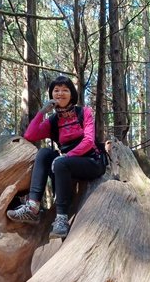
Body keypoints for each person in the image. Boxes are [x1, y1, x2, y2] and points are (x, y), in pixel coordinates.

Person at [7, 75, 105, 238]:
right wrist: (43, 112)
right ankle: (32, 207)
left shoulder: (84, 112)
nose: (60, 93)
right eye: (56, 90)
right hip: (67, 164)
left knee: (60, 163)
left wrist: (66, 156)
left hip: (91, 161)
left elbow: (88, 141)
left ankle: (61, 220)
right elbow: (30, 135)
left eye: (65, 90)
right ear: (52, 95)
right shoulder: (53, 121)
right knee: (44, 153)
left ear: (72, 94)